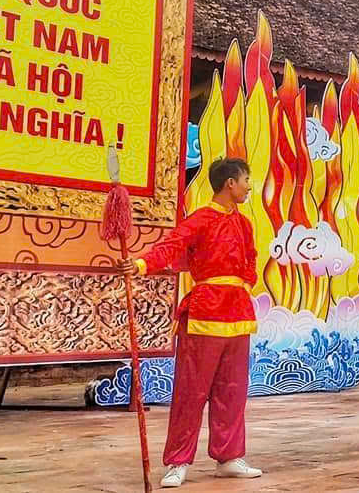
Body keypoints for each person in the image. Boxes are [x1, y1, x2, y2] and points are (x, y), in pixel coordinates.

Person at [118, 158, 261, 489]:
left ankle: (229, 457)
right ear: (230, 184)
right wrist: (141, 264)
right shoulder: (201, 219)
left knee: (233, 390)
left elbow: (251, 258)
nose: (248, 186)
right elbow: (171, 247)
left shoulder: (245, 224)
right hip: (204, 315)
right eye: (246, 180)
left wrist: (247, 282)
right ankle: (178, 461)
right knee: (191, 392)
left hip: (238, 315)